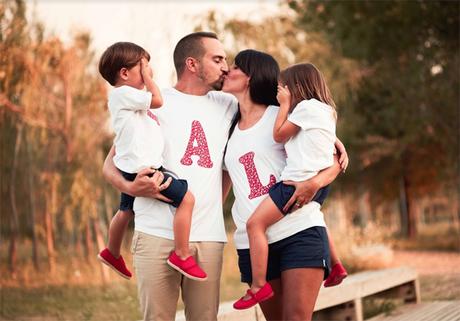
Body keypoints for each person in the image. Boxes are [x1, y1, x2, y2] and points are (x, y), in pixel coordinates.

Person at [101, 32, 237, 321]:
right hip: (155, 234)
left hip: (208, 238)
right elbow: (110, 165)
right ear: (192, 63)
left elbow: (234, 162)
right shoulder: (151, 103)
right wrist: (130, 186)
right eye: (217, 59)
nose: (226, 66)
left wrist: (331, 141)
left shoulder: (230, 106)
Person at [222, 50, 347, 320]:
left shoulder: (286, 113)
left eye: (234, 67)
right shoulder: (227, 126)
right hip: (251, 244)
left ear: (250, 77)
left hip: (297, 233)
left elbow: (332, 158)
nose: (226, 71)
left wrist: (315, 182)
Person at [97, 41, 206, 282]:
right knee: (187, 200)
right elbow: (157, 100)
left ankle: (112, 252)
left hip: (131, 169)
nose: (150, 72)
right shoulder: (124, 94)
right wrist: (148, 80)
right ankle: (182, 253)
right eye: (144, 67)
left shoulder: (126, 101)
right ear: (125, 73)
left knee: (125, 210)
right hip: (145, 171)